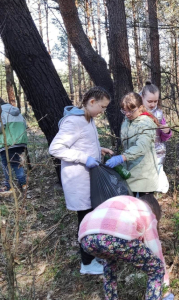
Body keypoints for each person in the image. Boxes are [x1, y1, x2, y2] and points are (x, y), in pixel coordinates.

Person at [49, 86, 114, 275]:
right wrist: (84, 158)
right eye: (102, 107)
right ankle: (86, 263)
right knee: (86, 222)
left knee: (92, 220)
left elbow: (82, 142)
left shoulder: (88, 119)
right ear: (91, 102)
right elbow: (56, 149)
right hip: (78, 181)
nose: (103, 111)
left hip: (88, 180)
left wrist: (98, 149)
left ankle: (93, 254)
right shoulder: (74, 122)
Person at [78, 194, 174, 300]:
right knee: (156, 268)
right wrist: (165, 287)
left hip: (86, 237)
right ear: (155, 211)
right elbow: (156, 251)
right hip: (117, 239)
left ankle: (110, 297)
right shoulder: (147, 212)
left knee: (110, 262)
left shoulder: (127, 202)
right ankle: (163, 297)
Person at [105, 92, 159, 197]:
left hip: (144, 173)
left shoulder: (146, 123)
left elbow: (142, 147)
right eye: (124, 111)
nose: (128, 114)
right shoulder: (127, 120)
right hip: (129, 172)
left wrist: (122, 157)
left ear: (140, 108)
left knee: (145, 207)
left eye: (131, 111)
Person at [140, 81, 172, 193]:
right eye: (149, 101)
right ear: (142, 97)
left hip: (157, 152)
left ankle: (151, 196)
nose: (152, 104)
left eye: (155, 101)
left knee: (154, 179)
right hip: (141, 153)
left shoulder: (159, 114)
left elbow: (164, 137)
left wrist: (167, 131)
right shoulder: (136, 113)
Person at [0, 98, 28, 194]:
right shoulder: (15, 110)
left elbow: (1, 127)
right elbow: (25, 125)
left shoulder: (1, 111)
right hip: (20, 141)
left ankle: (9, 187)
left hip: (7, 143)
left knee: (6, 164)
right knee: (17, 163)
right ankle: (23, 184)